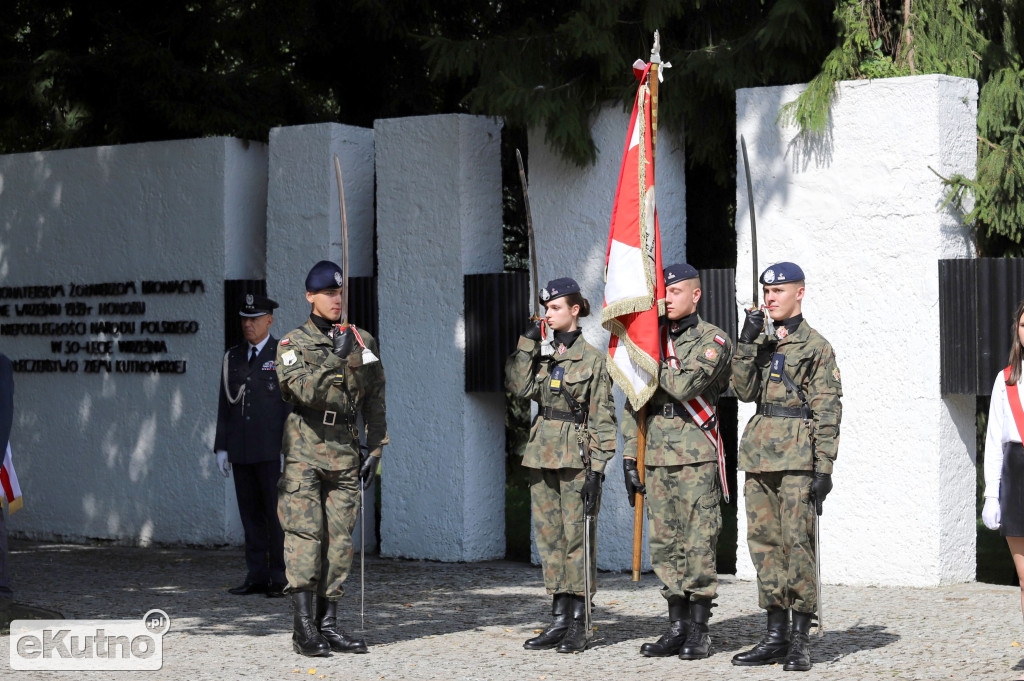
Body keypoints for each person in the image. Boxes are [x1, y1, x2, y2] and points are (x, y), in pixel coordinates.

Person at [730, 262, 842, 672]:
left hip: (797, 457)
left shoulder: (816, 346)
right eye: (766, 291)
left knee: (798, 547)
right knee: (764, 546)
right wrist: (745, 343)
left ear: (800, 292)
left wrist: (823, 468)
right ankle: (774, 634)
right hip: (759, 456)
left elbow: (828, 409)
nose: (770, 298)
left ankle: (799, 638)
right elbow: (742, 392)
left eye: (779, 291)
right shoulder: (761, 343)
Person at [276, 260, 388, 657]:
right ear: (310, 296)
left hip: (345, 450)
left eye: (339, 292)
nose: (336, 299)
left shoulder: (363, 341)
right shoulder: (290, 345)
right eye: (327, 293)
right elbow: (303, 391)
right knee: (305, 538)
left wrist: (375, 448)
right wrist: (334, 358)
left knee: (340, 541)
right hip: (306, 449)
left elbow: (375, 396)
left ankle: (329, 624)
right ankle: (303, 628)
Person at [621, 264, 733, 660]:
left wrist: (647, 355)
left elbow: (685, 386)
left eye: (676, 292)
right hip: (656, 455)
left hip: (695, 454)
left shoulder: (713, 339)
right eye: (664, 294)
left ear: (696, 295)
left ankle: (700, 630)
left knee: (698, 542)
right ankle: (676, 626)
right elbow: (634, 398)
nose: (667, 299)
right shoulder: (653, 340)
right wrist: (631, 454)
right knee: (665, 545)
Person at [505, 277, 617, 654]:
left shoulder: (593, 360)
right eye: (546, 308)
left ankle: (581, 621)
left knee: (577, 540)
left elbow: (604, 419)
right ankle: (558, 618)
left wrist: (597, 472)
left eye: (555, 308)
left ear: (575, 310)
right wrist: (526, 343)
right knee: (550, 539)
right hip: (542, 454)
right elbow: (519, 389)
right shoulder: (543, 355)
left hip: (576, 458)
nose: (549, 314)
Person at [214, 293, 291, 597]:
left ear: (269, 321)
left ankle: (279, 577)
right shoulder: (232, 357)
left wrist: (290, 450)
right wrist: (221, 446)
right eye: (245, 319)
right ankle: (256, 575)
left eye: (255, 319)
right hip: (242, 450)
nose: (248, 324)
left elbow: (290, 405)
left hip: (272, 451)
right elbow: (225, 404)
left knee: (275, 516)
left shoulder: (284, 354)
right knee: (250, 516)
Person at [982, 298, 1024, 632]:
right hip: (1017, 476)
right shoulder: (1006, 379)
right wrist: (991, 496)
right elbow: (994, 441)